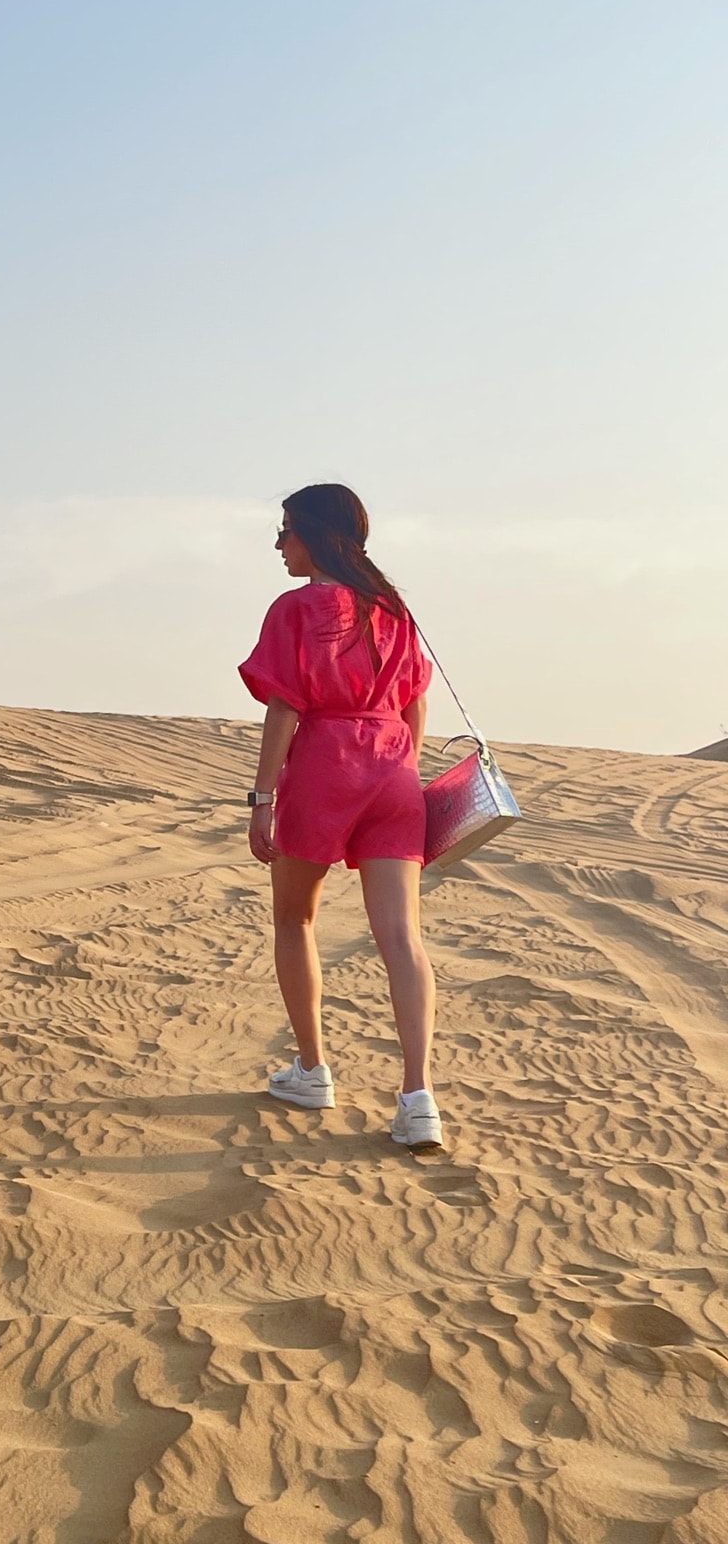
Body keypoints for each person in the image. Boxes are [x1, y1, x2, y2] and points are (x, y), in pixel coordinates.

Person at [238, 483, 443, 1153]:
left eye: (285, 529)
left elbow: (284, 708)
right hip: (394, 768)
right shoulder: (393, 610)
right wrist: (396, 771)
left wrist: (263, 799)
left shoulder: (297, 608)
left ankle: (313, 1068)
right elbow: (414, 706)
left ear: (317, 534)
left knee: (295, 917)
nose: (278, 543)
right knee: (402, 937)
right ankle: (418, 1099)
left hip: (327, 764)